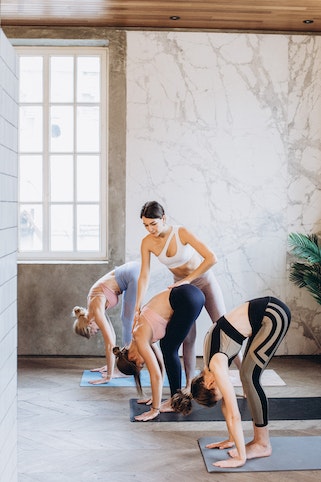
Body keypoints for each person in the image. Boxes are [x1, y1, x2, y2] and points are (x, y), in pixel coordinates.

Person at [171, 296, 291, 468]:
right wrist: (231, 439)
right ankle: (258, 442)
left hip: (274, 314)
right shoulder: (209, 366)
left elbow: (234, 414)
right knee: (247, 375)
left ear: (210, 384)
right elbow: (227, 407)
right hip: (264, 315)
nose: (225, 395)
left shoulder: (216, 365)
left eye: (219, 395)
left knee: (250, 377)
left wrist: (240, 458)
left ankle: (263, 444)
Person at [134, 200, 241, 390]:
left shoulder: (180, 232)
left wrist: (188, 279)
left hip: (204, 281)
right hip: (184, 290)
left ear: (163, 218)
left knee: (224, 328)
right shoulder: (147, 242)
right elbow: (144, 275)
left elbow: (211, 258)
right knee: (188, 337)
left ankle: (245, 377)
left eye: (153, 224)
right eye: (146, 225)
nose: (150, 229)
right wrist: (137, 304)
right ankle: (189, 384)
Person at [114, 284, 205, 421]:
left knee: (169, 348)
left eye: (141, 364)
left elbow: (155, 374)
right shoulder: (140, 337)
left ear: (131, 356)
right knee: (167, 347)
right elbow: (159, 364)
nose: (144, 362)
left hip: (185, 298)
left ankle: (175, 402)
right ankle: (175, 399)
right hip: (191, 294)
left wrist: (154, 410)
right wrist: (156, 396)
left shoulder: (140, 336)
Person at [72, 261, 140, 384]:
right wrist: (110, 367)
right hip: (132, 271)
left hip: (133, 273)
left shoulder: (96, 310)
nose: (97, 331)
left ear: (89, 324)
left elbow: (109, 346)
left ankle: (123, 370)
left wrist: (109, 376)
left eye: (94, 332)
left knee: (127, 321)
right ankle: (121, 368)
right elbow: (112, 338)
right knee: (125, 319)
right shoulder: (94, 309)